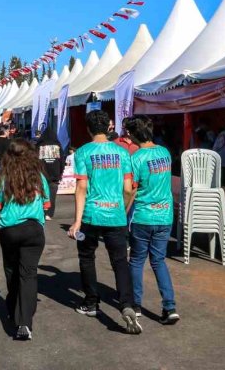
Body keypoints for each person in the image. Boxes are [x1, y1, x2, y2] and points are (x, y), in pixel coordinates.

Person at [67, 110, 140, 334]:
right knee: (119, 261)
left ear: (88, 129)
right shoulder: (123, 153)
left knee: (87, 257)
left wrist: (76, 222)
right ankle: (127, 304)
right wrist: (123, 209)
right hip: (116, 215)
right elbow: (129, 189)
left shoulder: (83, 152)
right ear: (109, 127)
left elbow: (81, 188)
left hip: (90, 216)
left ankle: (91, 302)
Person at [0, 140, 51, 340]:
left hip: (10, 229)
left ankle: (12, 308)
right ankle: (25, 322)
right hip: (34, 230)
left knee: (11, 271)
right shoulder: (39, 177)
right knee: (29, 274)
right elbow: (46, 205)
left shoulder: (3, 177)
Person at [124, 115, 179, 325]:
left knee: (137, 260)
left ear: (133, 134)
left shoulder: (136, 159)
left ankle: (136, 305)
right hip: (165, 216)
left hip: (143, 217)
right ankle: (170, 306)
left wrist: (122, 214)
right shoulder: (164, 153)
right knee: (158, 261)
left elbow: (132, 191)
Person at [35, 127, 63, 220]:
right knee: (52, 195)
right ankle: (49, 214)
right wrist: (60, 172)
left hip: (41, 174)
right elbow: (62, 161)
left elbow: (34, 160)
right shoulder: (58, 146)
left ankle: (41, 212)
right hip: (55, 175)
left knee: (40, 193)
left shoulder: (39, 146)